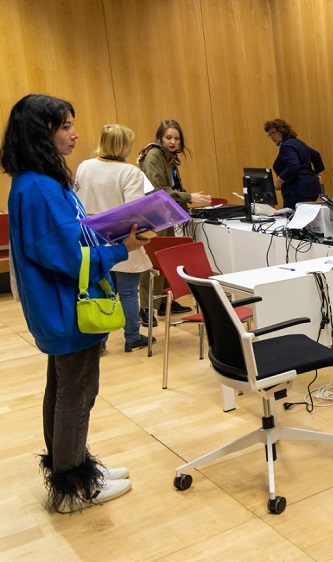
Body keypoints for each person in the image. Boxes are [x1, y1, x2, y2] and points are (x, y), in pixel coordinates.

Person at [1, 94, 148, 513]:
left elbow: (71, 238)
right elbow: (69, 256)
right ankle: (70, 487)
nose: (75, 133)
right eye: (65, 126)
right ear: (42, 133)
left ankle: (74, 466)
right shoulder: (40, 187)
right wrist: (123, 248)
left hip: (55, 306)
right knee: (77, 393)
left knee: (64, 388)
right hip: (67, 307)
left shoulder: (34, 181)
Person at [76, 124, 156, 352]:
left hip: (93, 240)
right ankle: (132, 338)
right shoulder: (130, 172)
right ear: (124, 145)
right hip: (123, 240)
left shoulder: (85, 167)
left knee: (100, 290)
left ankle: (99, 341)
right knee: (129, 292)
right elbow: (134, 211)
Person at [137, 120, 210, 320]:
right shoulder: (153, 154)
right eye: (168, 137)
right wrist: (188, 197)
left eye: (176, 138)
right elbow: (159, 189)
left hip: (165, 212)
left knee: (165, 257)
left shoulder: (168, 156)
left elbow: (174, 185)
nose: (173, 142)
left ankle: (162, 303)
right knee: (152, 261)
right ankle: (145, 307)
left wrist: (191, 199)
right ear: (160, 137)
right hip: (153, 213)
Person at [264, 118, 324, 209]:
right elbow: (316, 155)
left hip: (297, 189)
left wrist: (279, 180)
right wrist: (318, 175)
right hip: (312, 187)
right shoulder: (298, 143)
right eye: (269, 134)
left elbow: (293, 165)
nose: (272, 137)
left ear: (282, 131)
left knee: (292, 220)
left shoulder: (286, 146)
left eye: (274, 132)